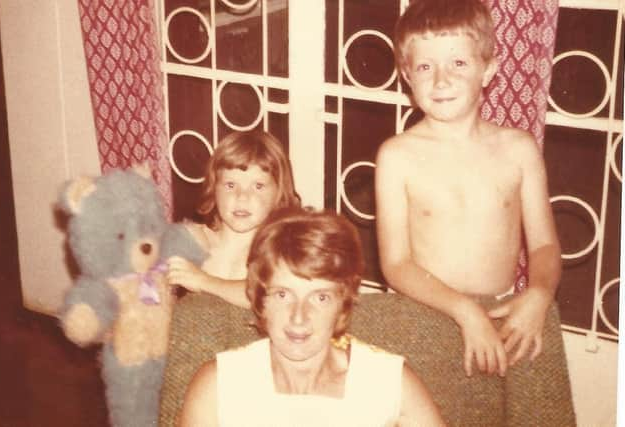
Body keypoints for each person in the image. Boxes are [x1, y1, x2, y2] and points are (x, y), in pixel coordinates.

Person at [375, 0, 561, 378]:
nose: (441, 80)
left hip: (501, 308)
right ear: (408, 76)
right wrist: (464, 310)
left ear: (488, 68)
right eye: (425, 66)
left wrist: (540, 293)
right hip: (422, 308)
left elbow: (545, 245)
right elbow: (395, 265)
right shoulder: (397, 156)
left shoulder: (519, 150)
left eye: (458, 63)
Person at [178, 208, 445, 426]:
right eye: (283, 294)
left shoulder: (387, 382)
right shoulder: (218, 386)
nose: (298, 317)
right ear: (260, 299)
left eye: (320, 297)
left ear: (343, 302)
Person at [166, 130, 300, 308]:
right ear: (214, 188)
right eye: (230, 185)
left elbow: (265, 294)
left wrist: (204, 282)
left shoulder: (275, 248)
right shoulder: (197, 238)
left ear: (279, 192)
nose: (242, 197)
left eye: (258, 186)